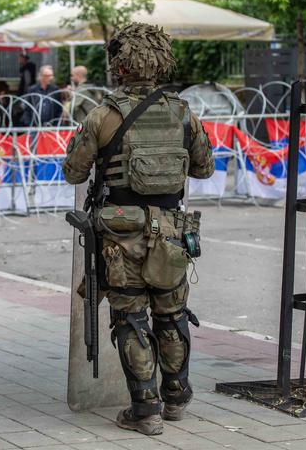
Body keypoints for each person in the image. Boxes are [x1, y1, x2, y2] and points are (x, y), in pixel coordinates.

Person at [63, 23, 214, 435]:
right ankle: (177, 397)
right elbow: (204, 168)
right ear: (162, 64)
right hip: (171, 232)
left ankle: (145, 410)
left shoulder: (103, 115)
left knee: (130, 318)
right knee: (172, 312)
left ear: (120, 66)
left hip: (120, 235)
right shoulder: (184, 112)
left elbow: (74, 172)